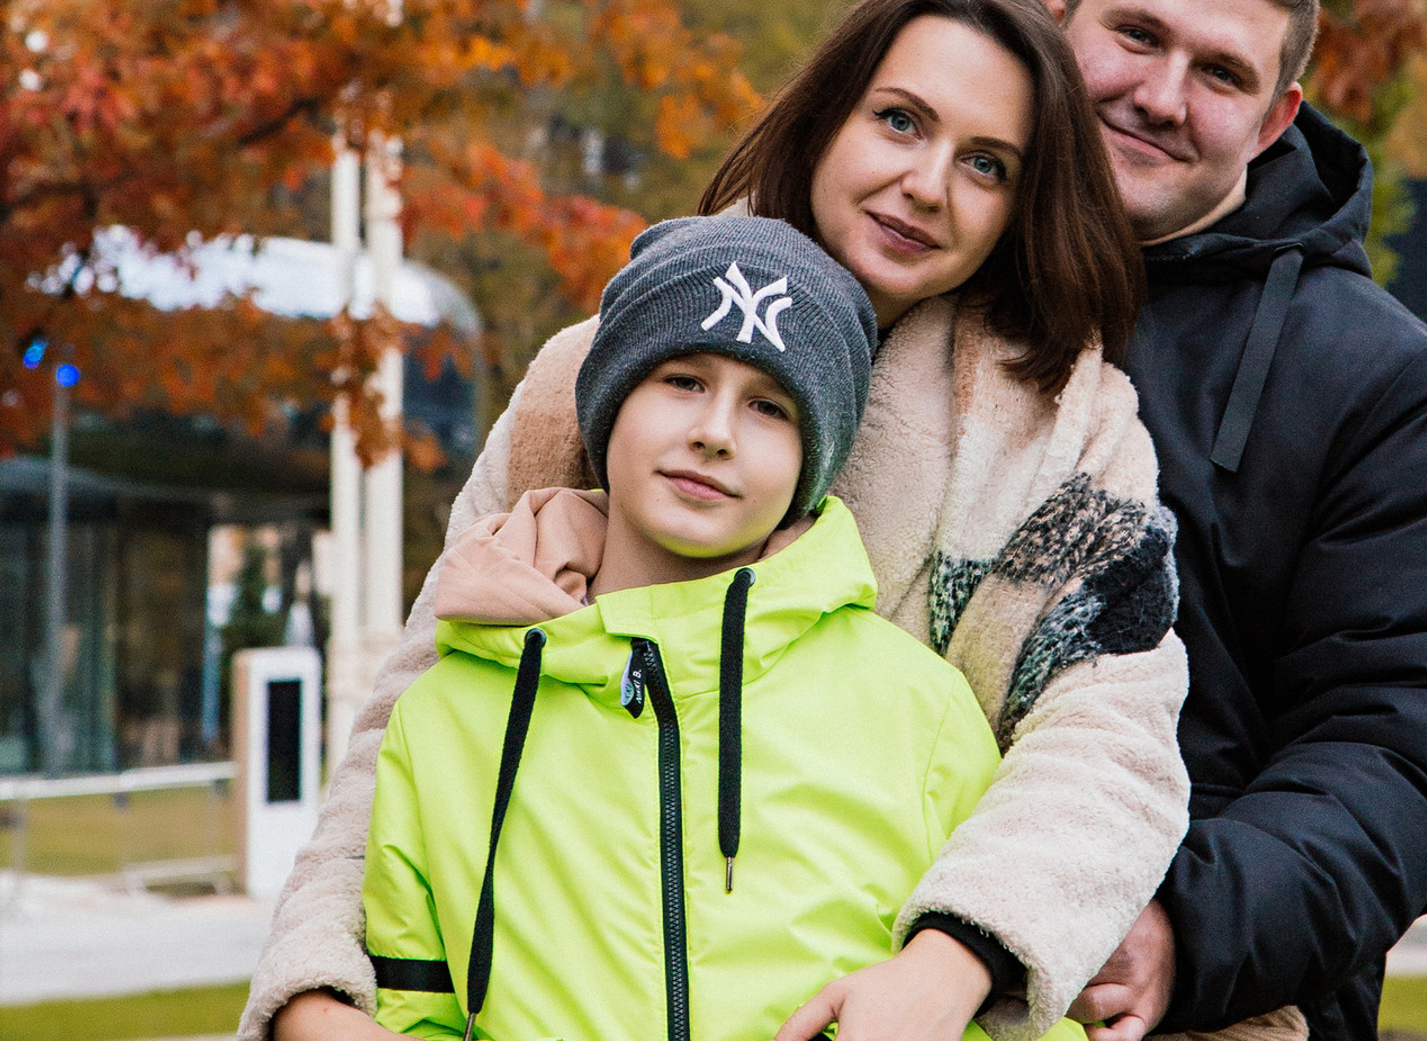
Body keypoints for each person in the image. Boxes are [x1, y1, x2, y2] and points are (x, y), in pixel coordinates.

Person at [246, 0, 1189, 1041]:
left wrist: (953, 958)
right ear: (826, 120)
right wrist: (312, 989)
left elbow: (1109, 736)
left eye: (986, 163)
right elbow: (417, 721)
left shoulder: (1067, 437)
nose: (928, 184)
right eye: (898, 120)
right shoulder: (588, 374)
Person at [364, 214, 1073, 1041]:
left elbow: (1021, 1025)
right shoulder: (443, 718)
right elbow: (411, 1015)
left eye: (769, 406)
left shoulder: (921, 711)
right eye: (683, 381)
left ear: (814, 460)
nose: (714, 433)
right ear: (610, 402)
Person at [1044, 0, 1427, 1041]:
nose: (1161, 97)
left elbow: (1412, 737)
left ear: (1273, 120)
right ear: (1054, 17)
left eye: (1220, 73)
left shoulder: (1370, 377)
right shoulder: (907, 269)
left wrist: (1188, 927)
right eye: (1136, 35)